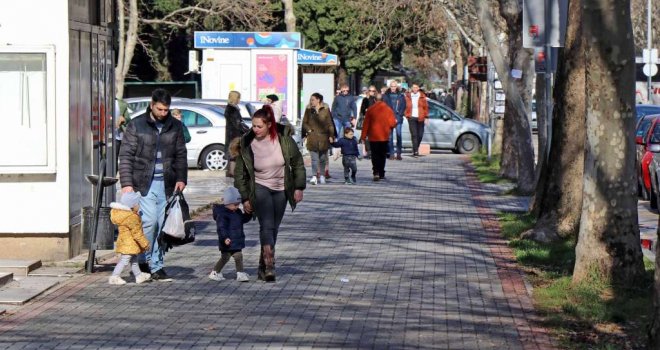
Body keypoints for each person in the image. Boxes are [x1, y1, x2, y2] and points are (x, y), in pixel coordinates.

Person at [119, 88, 188, 282]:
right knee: (149, 222)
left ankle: (156, 266)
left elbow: (181, 154)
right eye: (160, 109)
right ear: (152, 105)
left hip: (166, 183)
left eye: (166, 110)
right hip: (143, 183)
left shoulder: (175, 126)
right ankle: (144, 260)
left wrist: (181, 178)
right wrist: (127, 183)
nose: (163, 113)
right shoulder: (136, 125)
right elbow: (126, 155)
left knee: (162, 226)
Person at [233, 105, 306, 282]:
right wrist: (245, 197)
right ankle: (270, 265)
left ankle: (262, 267)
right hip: (259, 187)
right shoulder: (248, 143)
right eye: (254, 126)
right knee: (266, 225)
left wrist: (298, 187)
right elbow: (239, 174)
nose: (255, 129)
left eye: (259, 126)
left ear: (269, 125)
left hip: (282, 188)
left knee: (273, 228)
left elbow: (297, 163)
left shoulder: (284, 140)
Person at [209, 186, 252, 282]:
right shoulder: (222, 214)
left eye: (238, 204)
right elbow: (221, 228)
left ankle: (240, 273)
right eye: (235, 205)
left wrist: (249, 214)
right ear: (227, 203)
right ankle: (215, 272)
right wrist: (225, 238)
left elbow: (243, 219)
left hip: (236, 240)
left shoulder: (237, 212)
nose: (237, 207)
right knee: (225, 257)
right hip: (227, 241)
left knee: (238, 256)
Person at [108, 191, 152, 285]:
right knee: (124, 260)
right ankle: (114, 277)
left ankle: (139, 275)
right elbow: (137, 233)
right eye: (138, 204)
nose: (139, 206)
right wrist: (145, 244)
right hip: (129, 243)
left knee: (134, 260)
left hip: (125, 242)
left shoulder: (122, 214)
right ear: (132, 205)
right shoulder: (132, 217)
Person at [360, 94, 396, 181]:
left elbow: (366, 124)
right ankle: (381, 173)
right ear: (383, 100)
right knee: (382, 155)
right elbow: (392, 124)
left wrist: (363, 136)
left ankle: (375, 172)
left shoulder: (370, 110)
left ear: (375, 100)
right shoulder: (388, 109)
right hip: (384, 136)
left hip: (373, 136)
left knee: (375, 155)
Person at [302, 93, 335, 185]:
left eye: (313, 99)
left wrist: (331, 135)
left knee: (323, 158)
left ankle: (322, 176)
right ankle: (314, 176)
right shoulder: (308, 110)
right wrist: (308, 130)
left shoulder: (325, 110)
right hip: (312, 137)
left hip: (323, 137)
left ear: (318, 100)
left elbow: (330, 124)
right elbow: (304, 122)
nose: (311, 101)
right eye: (311, 99)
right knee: (314, 158)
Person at [382, 80, 406, 160]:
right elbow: (384, 107)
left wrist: (398, 117)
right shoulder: (385, 95)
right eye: (392, 86)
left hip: (398, 118)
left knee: (399, 136)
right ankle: (391, 154)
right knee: (390, 137)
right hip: (389, 118)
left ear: (397, 87)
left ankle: (398, 154)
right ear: (390, 87)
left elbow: (403, 107)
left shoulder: (401, 95)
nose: (393, 88)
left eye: (394, 86)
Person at [404, 83, 430, 158]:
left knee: (420, 135)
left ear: (418, 88)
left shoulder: (422, 96)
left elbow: (426, 107)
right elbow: (404, 105)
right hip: (411, 117)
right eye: (413, 87)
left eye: (416, 87)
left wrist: (426, 117)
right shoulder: (408, 96)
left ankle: (415, 147)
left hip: (420, 117)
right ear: (412, 88)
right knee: (414, 134)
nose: (415, 89)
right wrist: (406, 115)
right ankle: (415, 151)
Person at [224, 91, 245, 177]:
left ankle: (231, 172)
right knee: (234, 153)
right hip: (234, 134)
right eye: (239, 98)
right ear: (235, 98)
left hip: (232, 134)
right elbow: (237, 124)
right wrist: (245, 130)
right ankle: (232, 172)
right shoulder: (232, 109)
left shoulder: (231, 108)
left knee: (233, 153)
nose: (239, 100)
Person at [359, 85, 378, 159]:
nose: (371, 92)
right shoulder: (365, 99)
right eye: (370, 90)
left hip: (375, 120)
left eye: (373, 91)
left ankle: (373, 151)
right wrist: (365, 111)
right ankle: (368, 151)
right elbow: (362, 110)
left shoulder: (376, 100)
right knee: (366, 136)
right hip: (367, 120)